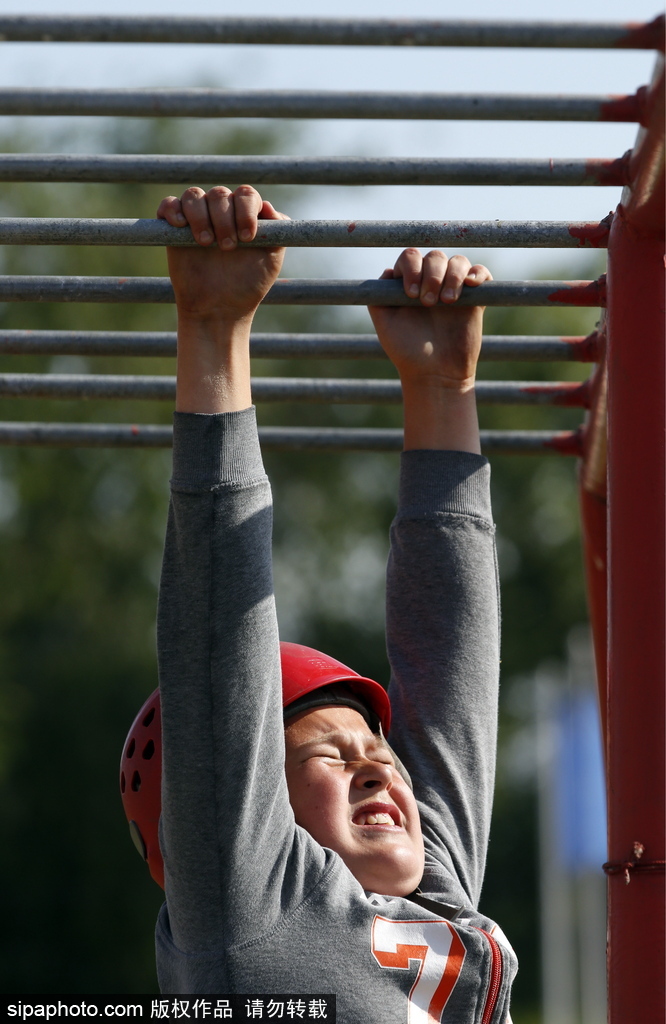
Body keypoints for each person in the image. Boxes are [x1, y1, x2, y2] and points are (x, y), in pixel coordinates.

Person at [147, 184, 518, 1021]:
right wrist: (213, 330)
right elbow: (218, 649)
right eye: (330, 754)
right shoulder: (253, 912)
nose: (378, 764)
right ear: (251, 802)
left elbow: (450, 664)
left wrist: (443, 386)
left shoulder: (430, 909)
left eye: (372, 746)